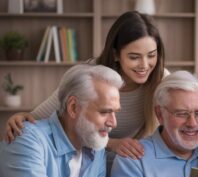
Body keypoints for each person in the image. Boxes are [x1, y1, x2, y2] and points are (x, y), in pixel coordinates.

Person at [0, 64, 147, 177]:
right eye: (104, 112)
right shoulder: (26, 137)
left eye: (115, 112)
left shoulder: (95, 145)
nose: (113, 123)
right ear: (73, 107)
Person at [4, 11, 168, 161]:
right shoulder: (91, 75)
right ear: (115, 54)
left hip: (130, 164)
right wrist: (20, 119)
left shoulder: (162, 80)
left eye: (151, 55)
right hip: (86, 162)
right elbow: (40, 117)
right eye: (134, 57)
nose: (145, 65)